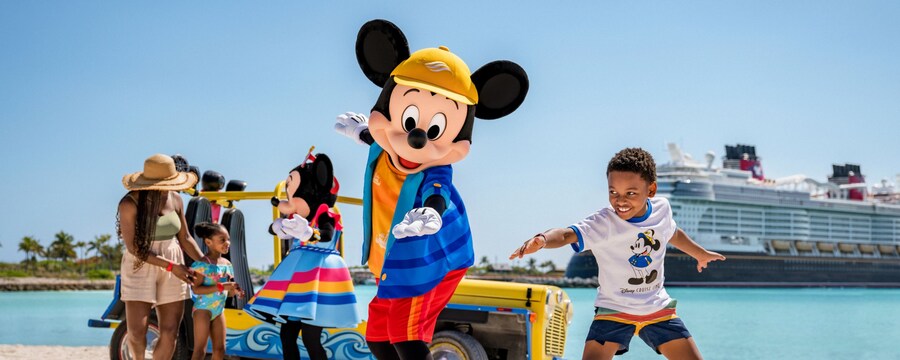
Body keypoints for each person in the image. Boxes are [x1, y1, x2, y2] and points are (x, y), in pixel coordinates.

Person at [510, 148, 726, 360]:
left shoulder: (662, 209)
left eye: (630, 193)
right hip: (613, 311)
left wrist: (700, 253)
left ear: (651, 190)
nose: (620, 201)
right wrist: (543, 239)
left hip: (658, 310)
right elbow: (567, 235)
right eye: (613, 192)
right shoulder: (603, 222)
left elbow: (672, 233)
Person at [244, 152, 359, 360]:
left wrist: (310, 233)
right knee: (287, 334)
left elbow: (327, 235)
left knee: (311, 338)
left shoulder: (325, 213)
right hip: (297, 282)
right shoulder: (297, 219)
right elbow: (281, 230)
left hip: (319, 279)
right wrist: (279, 228)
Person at [118, 153, 207, 360]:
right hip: (140, 262)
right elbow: (134, 248)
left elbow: (185, 237)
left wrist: (207, 262)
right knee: (137, 332)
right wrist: (170, 266)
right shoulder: (129, 204)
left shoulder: (175, 199)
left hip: (174, 257)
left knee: (170, 331)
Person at [189, 222, 244, 360]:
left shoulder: (227, 264)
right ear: (208, 242)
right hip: (203, 310)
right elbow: (196, 289)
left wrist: (235, 291)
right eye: (222, 240)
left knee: (220, 350)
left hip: (219, 310)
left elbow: (228, 290)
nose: (228, 243)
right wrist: (221, 287)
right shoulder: (202, 264)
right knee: (200, 351)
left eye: (228, 239)